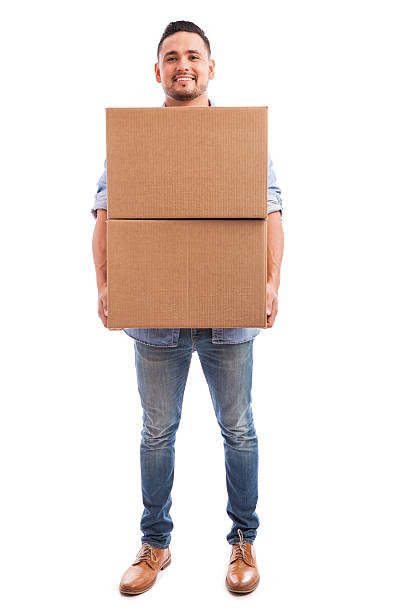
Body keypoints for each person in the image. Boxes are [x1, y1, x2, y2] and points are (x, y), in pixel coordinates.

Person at [91, 20, 284, 596]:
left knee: (238, 428)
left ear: (210, 67)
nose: (184, 65)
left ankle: (243, 542)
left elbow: (270, 213)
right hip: (156, 321)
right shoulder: (136, 139)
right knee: (156, 432)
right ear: (158, 71)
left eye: (193, 56)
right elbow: (105, 215)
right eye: (171, 57)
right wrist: (104, 283)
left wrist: (271, 282)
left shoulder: (239, 137)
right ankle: (155, 546)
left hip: (229, 317)